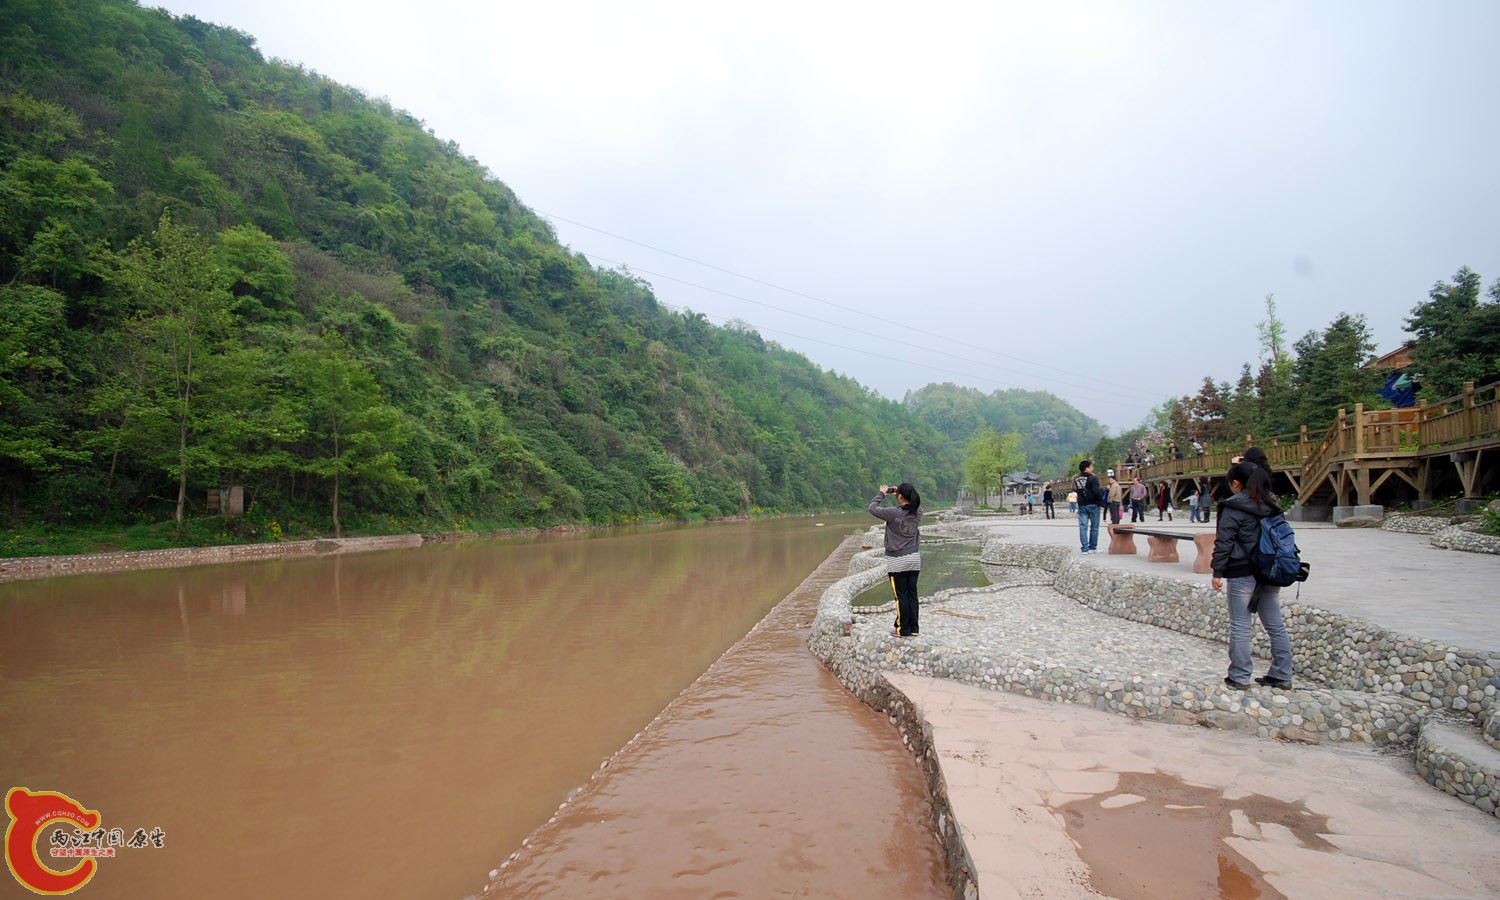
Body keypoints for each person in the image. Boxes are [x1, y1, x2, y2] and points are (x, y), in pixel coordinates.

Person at [1211, 462, 1294, 690]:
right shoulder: (1272, 503)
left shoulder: (1233, 507)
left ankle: (1239, 676)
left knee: (1240, 624)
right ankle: (1282, 674)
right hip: (1270, 571)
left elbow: (1224, 541)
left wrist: (1217, 570)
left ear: (1236, 484)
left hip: (1242, 571)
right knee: (1275, 624)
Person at [869, 482, 923, 638]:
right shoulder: (918, 512)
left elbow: (872, 508)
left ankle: (902, 629)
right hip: (914, 559)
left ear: (899, 496)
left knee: (901, 596)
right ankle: (913, 628)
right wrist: (900, 494)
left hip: (897, 560)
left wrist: (882, 494)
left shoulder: (893, 513)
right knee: (912, 594)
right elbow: (916, 504)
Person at [1073, 460, 1103, 553]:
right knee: (1094, 527)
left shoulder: (1077, 479)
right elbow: (1096, 491)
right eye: (1091, 467)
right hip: (1093, 504)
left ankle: (1084, 548)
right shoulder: (1092, 478)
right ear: (1087, 468)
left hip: (1082, 504)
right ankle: (1092, 547)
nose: (1092, 468)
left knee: (1083, 526)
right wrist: (1102, 502)